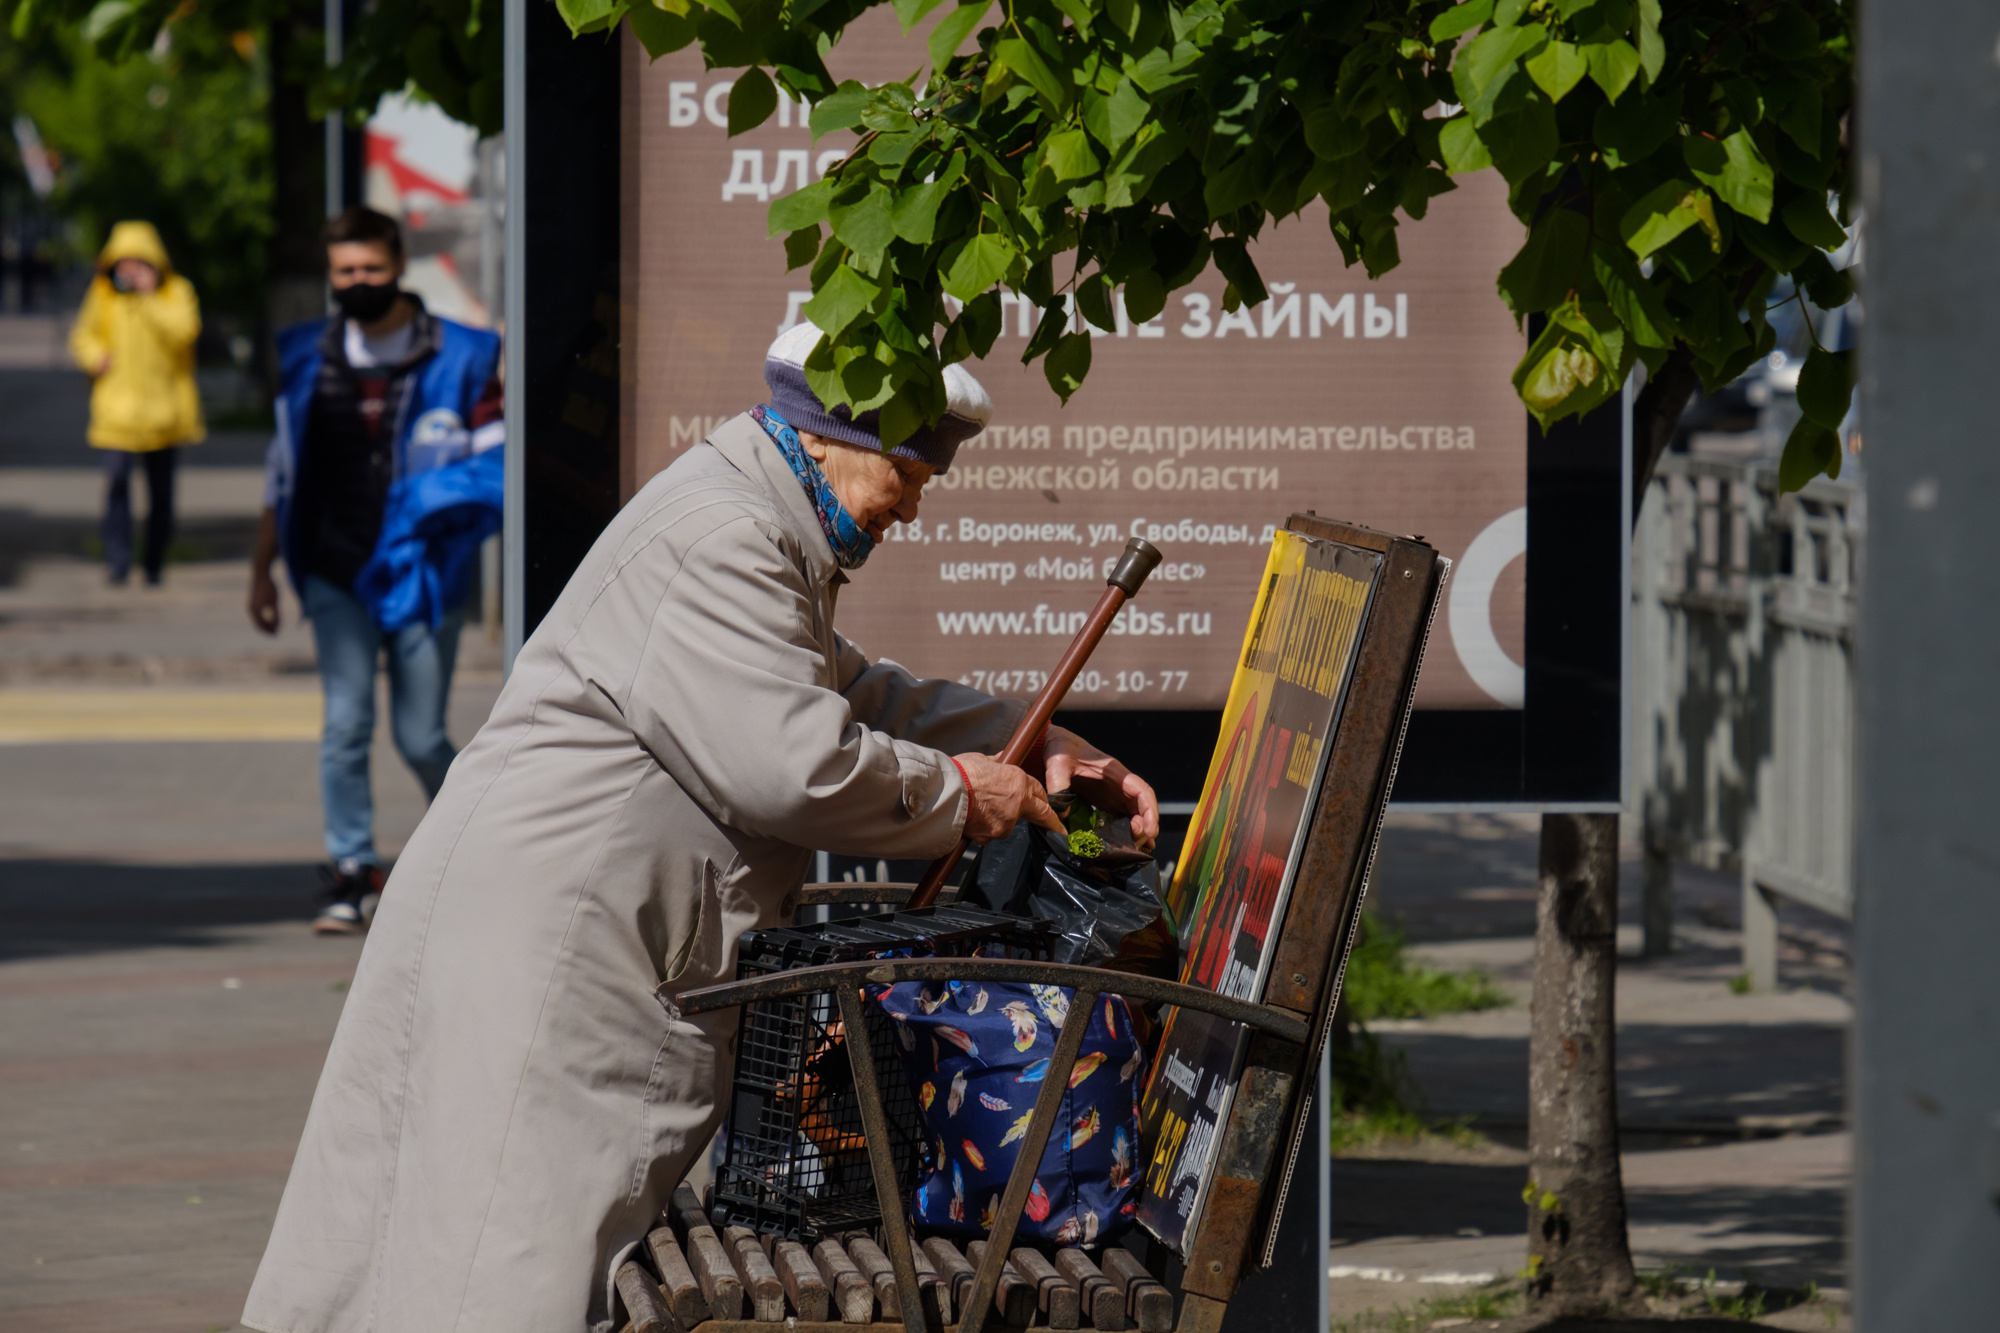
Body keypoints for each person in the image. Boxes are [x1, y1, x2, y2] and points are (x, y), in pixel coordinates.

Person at [242, 322, 1160, 1333]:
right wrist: (957, 793)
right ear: (832, 432)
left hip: (556, 930)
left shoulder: (754, 518)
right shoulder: (727, 536)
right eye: (909, 469)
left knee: (446, 1249)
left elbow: (856, 693)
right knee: (493, 1269)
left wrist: (1040, 747)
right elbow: (795, 768)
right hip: (556, 952)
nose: (911, 501)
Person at [248, 206, 502, 936]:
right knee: (346, 721)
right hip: (333, 567)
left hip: (426, 568)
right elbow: (281, 469)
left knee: (421, 734)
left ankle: (473, 848)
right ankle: (351, 869)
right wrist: (261, 570)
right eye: (344, 272)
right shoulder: (303, 353)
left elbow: (495, 462)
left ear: (398, 267)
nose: (357, 282)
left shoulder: (465, 355)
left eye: (370, 269)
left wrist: (428, 501)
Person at [69, 221, 204, 586]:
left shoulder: (176, 292)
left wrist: (149, 299)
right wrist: (95, 356)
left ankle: (155, 562)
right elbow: (83, 335)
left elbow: (185, 332)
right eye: (123, 263)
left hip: (165, 412)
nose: (129, 271)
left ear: (155, 263)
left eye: (138, 263)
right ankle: (117, 562)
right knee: (115, 485)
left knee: (161, 495)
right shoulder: (103, 295)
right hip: (117, 410)